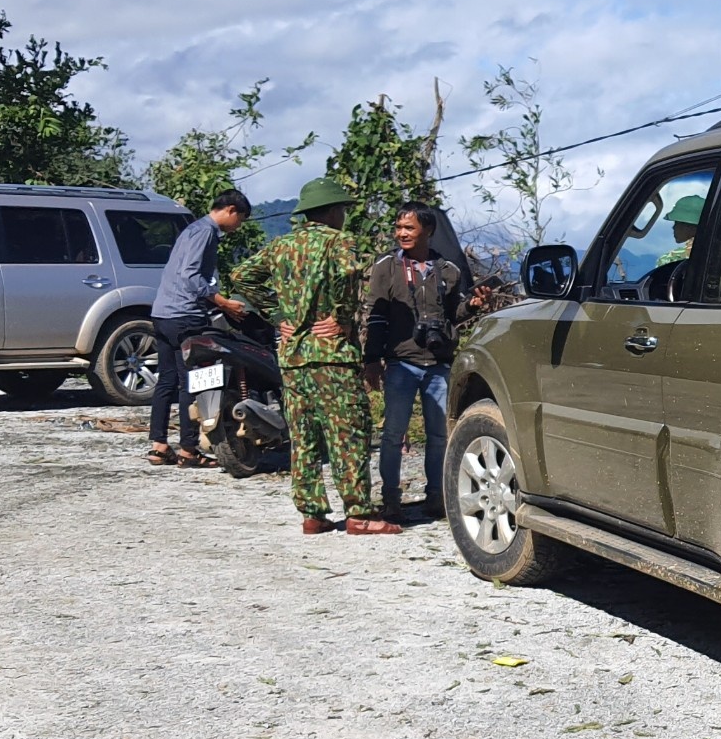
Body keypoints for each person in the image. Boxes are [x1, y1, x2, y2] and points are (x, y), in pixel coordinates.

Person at [222, 177, 399, 536]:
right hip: (332, 355)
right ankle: (359, 513)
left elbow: (241, 275)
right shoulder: (340, 241)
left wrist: (279, 315)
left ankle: (312, 513)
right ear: (334, 211)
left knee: (304, 436)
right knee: (348, 434)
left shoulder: (282, 245)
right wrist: (341, 317)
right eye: (343, 210)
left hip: (292, 357)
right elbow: (349, 272)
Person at [360, 204, 478, 516]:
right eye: (399, 227)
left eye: (409, 228)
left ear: (427, 230)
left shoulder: (448, 270)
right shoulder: (386, 266)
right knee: (392, 435)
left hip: (438, 365)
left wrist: (474, 305)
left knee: (439, 435)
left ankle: (436, 496)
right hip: (400, 363)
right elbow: (375, 316)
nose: (401, 234)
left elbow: (455, 315)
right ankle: (390, 498)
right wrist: (372, 360)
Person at [147, 189, 253, 467]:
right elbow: (190, 275)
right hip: (184, 315)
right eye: (240, 219)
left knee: (166, 380)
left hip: (163, 313)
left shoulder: (191, 230)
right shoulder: (205, 232)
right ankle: (189, 449)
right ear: (230, 210)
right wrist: (222, 302)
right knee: (190, 384)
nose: (238, 226)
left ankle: (158, 446)